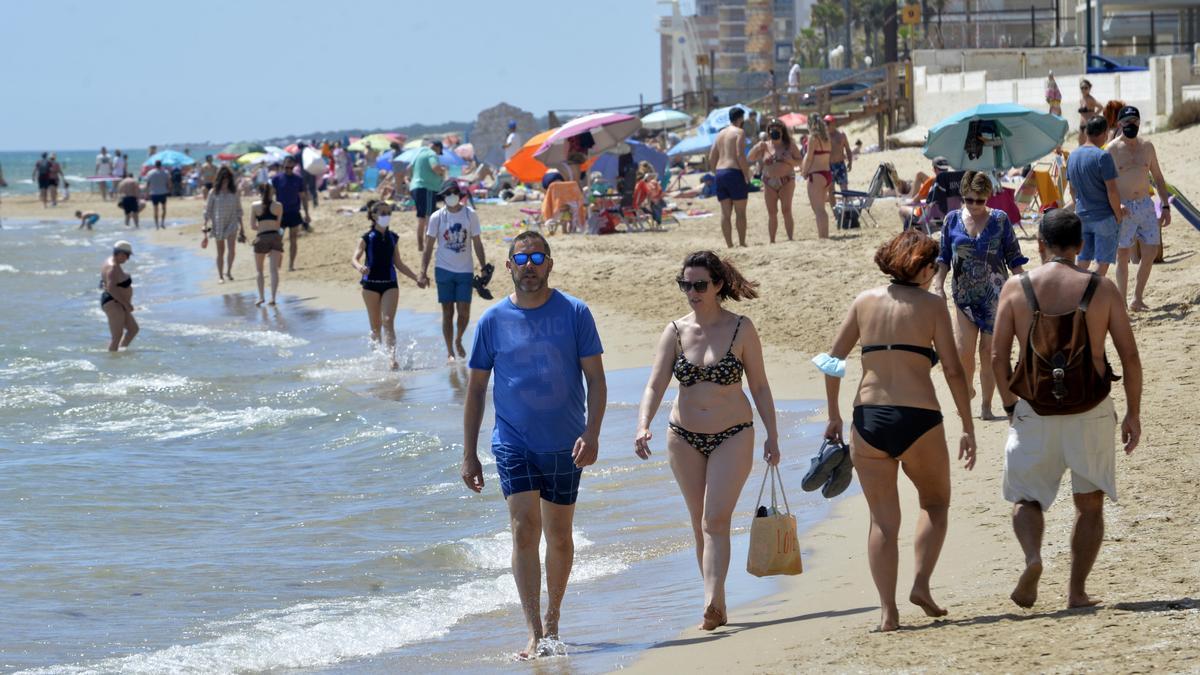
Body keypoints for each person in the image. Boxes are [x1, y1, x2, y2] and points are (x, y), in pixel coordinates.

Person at [818, 229, 977, 632]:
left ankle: (888, 613)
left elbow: (832, 360)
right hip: (918, 417)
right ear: (923, 268)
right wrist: (967, 424)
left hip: (868, 419)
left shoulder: (864, 301)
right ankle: (921, 585)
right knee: (935, 503)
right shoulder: (932, 305)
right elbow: (955, 370)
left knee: (882, 524)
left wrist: (833, 414)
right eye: (932, 266)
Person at [462, 230, 607, 660]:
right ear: (507, 266)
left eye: (538, 257)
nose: (529, 265)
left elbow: (596, 380)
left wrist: (593, 432)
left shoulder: (576, 313)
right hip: (512, 442)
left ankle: (554, 620)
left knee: (559, 536)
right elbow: (474, 391)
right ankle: (533, 631)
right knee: (525, 528)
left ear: (550, 264)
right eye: (521, 258)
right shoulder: (491, 321)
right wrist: (469, 452)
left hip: (566, 442)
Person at [991, 208, 1141, 610]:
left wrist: (1010, 406)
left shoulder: (1015, 288)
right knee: (1089, 502)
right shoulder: (1102, 289)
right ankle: (1076, 591)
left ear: (1040, 244)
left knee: (1026, 498)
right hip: (1090, 409)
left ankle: (1033, 558)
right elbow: (1129, 357)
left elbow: (996, 357)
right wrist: (1133, 413)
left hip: (1035, 409)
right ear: (1080, 246)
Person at [634, 251, 779, 631]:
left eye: (700, 285)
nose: (692, 292)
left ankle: (711, 603)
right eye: (686, 285)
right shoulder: (675, 331)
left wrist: (772, 436)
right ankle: (718, 601)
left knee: (715, 519)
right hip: (682, 437)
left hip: (733, 434)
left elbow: (760, 387)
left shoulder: (741, 328)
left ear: (717, 285)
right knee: (700, 523)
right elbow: (654, 384)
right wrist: (642, 424)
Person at [932, 170, 1028, 420]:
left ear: (988, 198)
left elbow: (1015, 258)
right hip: (963, 297)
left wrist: (1027, 287)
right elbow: (943, 258)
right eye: (969, 200)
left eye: (980, 200)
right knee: (963, 352)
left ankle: (986, 405)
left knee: (988, 354)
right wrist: (938, 284)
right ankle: (969, 389)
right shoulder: (951, 221)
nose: (974, 206)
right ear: (962, 197)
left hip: (996, 298)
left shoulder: (1000, 220)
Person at [1107, 106, 1171, 311]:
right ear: (1119, 124)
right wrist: (1117, 204)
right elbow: (1105, 183)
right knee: (1123, 255)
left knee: (1151, 251)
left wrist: (1165, 205)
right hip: (1124, 207)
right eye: (1127, 122)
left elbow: (1159, 179)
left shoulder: (1148, 146)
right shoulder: (1112, 149)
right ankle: (1122, 303)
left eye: (1134, 121)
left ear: (1139, 122)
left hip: (1145, 204)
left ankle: (1137, 298)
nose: (1131, 125)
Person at [352, 200, 425, 370]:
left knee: (388, 321)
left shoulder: (393, 237)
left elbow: (398, 263)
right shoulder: (366, 238)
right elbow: (354, 258)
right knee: (375, 327)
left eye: (388, 213)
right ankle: (377, 358)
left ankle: (392, 359)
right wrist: (359, 267)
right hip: (370, 286)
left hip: (390, 284)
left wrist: (416, 278)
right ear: (374, 215)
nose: (386, 216)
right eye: (383, 213)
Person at [419, 181, 488, 362]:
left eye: (454, 192)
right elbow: (428, 247)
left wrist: (483, 266)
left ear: (459, 194)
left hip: (465, 270)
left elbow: (477, 242)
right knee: (447, 312)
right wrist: (422, 271)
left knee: (464, 311)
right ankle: (450, 350)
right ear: (443, 196)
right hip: (443, 269)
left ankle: (458, 339)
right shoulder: (437, 217)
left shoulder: (469, 214)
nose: (451, 196)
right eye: (447, 193)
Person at [1067, 116, 1129, 278]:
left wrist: (1080, 205)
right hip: (1104, 216)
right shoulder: (1102, 156)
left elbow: (1072, 190)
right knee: (1102, 263)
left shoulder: (1073, 156)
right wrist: (1118, 214)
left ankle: (1076, 294)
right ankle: (1087, 296)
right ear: (1105, 133)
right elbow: (1112, 191)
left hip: (1082, 216)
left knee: (1083, 260)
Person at [748, 118, 802, 243]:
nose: (774, 133)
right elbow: (750, 157)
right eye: (771, 131)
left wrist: (790, 161)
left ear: (782, 132)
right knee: (772, 212)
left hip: (786, 180)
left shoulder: (789, 146)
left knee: (786, 209)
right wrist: (757, 147)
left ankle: (790, 238)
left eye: (777, 130)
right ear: (768, 132)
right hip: (768, 182)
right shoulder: (764, 146)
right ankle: (772, 240)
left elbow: (800, 161)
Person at [707, 107, 751, 248]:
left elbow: (711, 157)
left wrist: (716, 172)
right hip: (734, 172)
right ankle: (742, 243)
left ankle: (729, 245)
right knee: (740, 212)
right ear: (740, 118)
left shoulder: (720, 134)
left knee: (725, 213)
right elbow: (740, 154)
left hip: (720, 172)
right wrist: (746, 173)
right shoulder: (739, 132)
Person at [203, 166, 245, 283]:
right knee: (220, 252)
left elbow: (239, 210)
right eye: (223, 178)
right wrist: (204, 224)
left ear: (230, 179)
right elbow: (208, 210)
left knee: (232, 250)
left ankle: (229, 271)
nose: (225, 180)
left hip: (232, 223)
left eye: (227, 178)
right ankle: (220, 276)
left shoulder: (234, 192)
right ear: (219, 178)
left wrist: (242, 228)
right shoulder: (213, 192)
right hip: (218, 224)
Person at [270, 157, 310, 272]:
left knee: (293, 239)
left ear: (294, 167)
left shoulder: (298, 179)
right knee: (278, 239)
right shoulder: (276, 179)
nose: (288, 169)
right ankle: (276, 264)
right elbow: (270, 196)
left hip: (294, 214)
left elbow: (303, 197)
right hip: (280, 216)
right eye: (286, 167)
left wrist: (307, 213)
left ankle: (291, 265)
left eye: (291, 167)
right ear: (283, 166)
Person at [249, 182, 285, 306]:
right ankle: (273, 298)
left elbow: (253, 226)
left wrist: (262, 226)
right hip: (275, 237)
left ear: (259, 192)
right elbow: (278, 225)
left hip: (261, 237)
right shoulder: (279, 205)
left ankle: (261, 297)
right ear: (272, 192)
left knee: (259, 270)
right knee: (274, 270)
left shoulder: (255, 205)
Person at [409, 140, 447, 252]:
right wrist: (442, 171)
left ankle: (421, 246)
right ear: (437, 148)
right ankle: (427, 245)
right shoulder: (431, 153)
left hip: (416, 187)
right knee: (429, 217)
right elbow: (435, 167)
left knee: (421, 217)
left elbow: (408, 170)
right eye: (440, 151)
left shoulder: (418, 154)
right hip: (427, 188)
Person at [100, 240, 139, 352]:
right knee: (116, 336)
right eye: (127, 256)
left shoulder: (110, 261)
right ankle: (112, 363)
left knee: (133, 329)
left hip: (117, 302)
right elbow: (111, 288)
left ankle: (121, 352)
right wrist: (126, 304)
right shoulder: (113, 267)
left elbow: (107, 281)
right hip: (114, 302)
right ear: (121, 254)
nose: (127, 259)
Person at [800, 115, 833, 239]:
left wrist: (804, 172)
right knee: (822, 209)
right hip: (826, 174)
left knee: (818, 209)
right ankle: (824, 235)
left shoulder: (813, 138)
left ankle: (823, 237)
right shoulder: (826, 138)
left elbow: (809, 158)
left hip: (816, 175)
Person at [826, 114, 854, 202]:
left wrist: (850, 162)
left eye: (828, 123)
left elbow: (848, 149)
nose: (826, 125)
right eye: (825, 123)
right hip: (829, 166)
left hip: (840, 165)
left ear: (833, 123)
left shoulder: (841, 135)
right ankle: (835, 211)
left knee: (844, 189)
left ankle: (845, 210)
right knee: (831, 191)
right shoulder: (824, 137)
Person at [145, 160, 171, 229]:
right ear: (161, 165)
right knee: (164, 209)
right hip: (163, 192)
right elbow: (168, 183)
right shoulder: (165, 172)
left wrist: (147, 193)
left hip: (154, 193)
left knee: (155, 210)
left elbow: (147, 184)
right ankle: (162, 223)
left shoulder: (150, 173)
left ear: (155, 165)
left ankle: (156, 225)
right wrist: (169, 190)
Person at [1077, 79, 1103, 144]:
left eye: (1086, 88)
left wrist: (1094, 115)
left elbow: (1100, 107)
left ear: (1089, 88)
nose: (1083, 90)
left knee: (1088, 144)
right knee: (1080, 144)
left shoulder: (1090, 99)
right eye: (1082, 88)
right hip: (1081, 125)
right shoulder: (1081, 99)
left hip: (1088, 125)